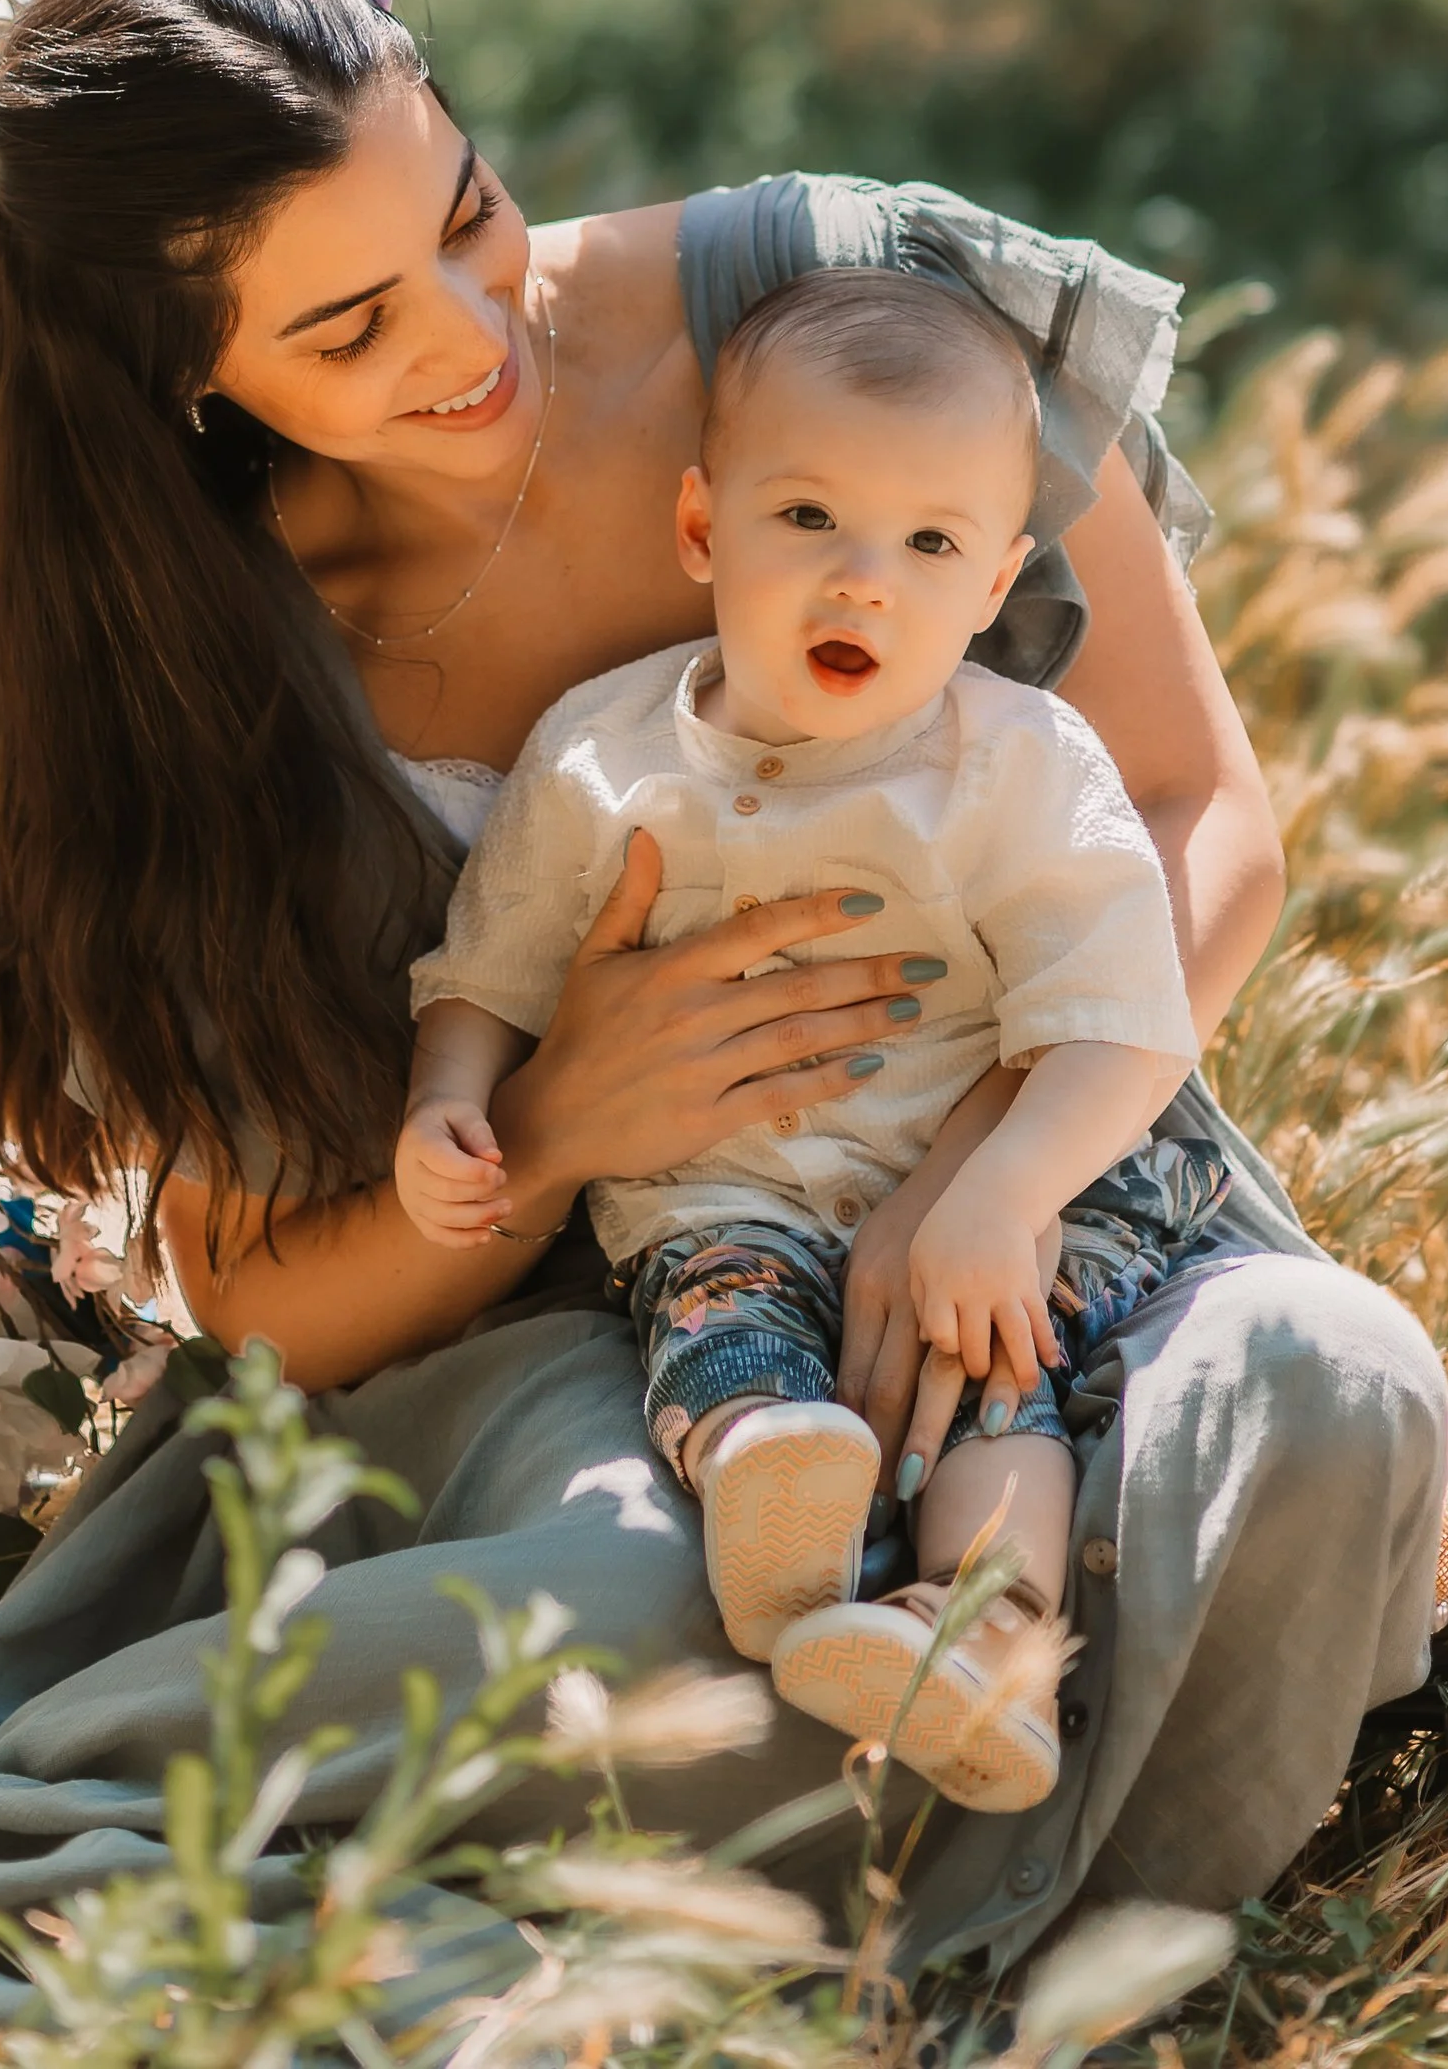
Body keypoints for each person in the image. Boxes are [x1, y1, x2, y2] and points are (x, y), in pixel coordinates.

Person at [0, 0, 1448, 2015]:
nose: (470, 328)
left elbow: (1194, 814)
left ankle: (1007, 1956)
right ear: (182, 380)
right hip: (540, 1346)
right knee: (643, 1614)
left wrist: (981, 1180)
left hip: (1042, 1209)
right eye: (347, 326)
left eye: (463, 213)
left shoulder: (829, 311)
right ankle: (886, 1925)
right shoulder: (198, 648)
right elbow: (261, 1308)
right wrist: (569, 1106)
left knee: (1323, 1392)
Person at [398, 265, 1224, 1809]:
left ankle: (982, 1636)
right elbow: (488, 972)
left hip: (983, 1197)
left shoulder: (1016, 764)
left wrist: (1001, 1195)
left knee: (996, 1374)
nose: (865, 581)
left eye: (930, 544)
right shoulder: (602, 753)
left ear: (994, 586)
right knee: (721, 1329)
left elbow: (1124, 1023)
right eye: (808, 522)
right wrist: (451, 1103)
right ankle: (782, 1496)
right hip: (729, 1198)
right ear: (705, 528)